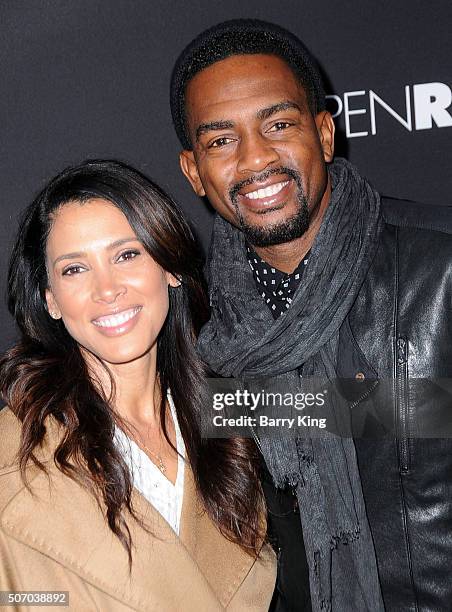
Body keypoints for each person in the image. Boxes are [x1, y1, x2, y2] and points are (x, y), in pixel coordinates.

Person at [170, 18, 452, 612]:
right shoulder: (193, 322)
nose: (255, 159)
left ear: (325, 134)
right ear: (194, 170)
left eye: (278, 125)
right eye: (220, 140)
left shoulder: (440, 263)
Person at [0, 159, 276, 611]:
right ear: (50, 298)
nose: (106, 289)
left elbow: (410, 410)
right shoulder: (10, 456)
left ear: (170, 268)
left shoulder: (239, 405)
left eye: (126, 255)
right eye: (74, 269)